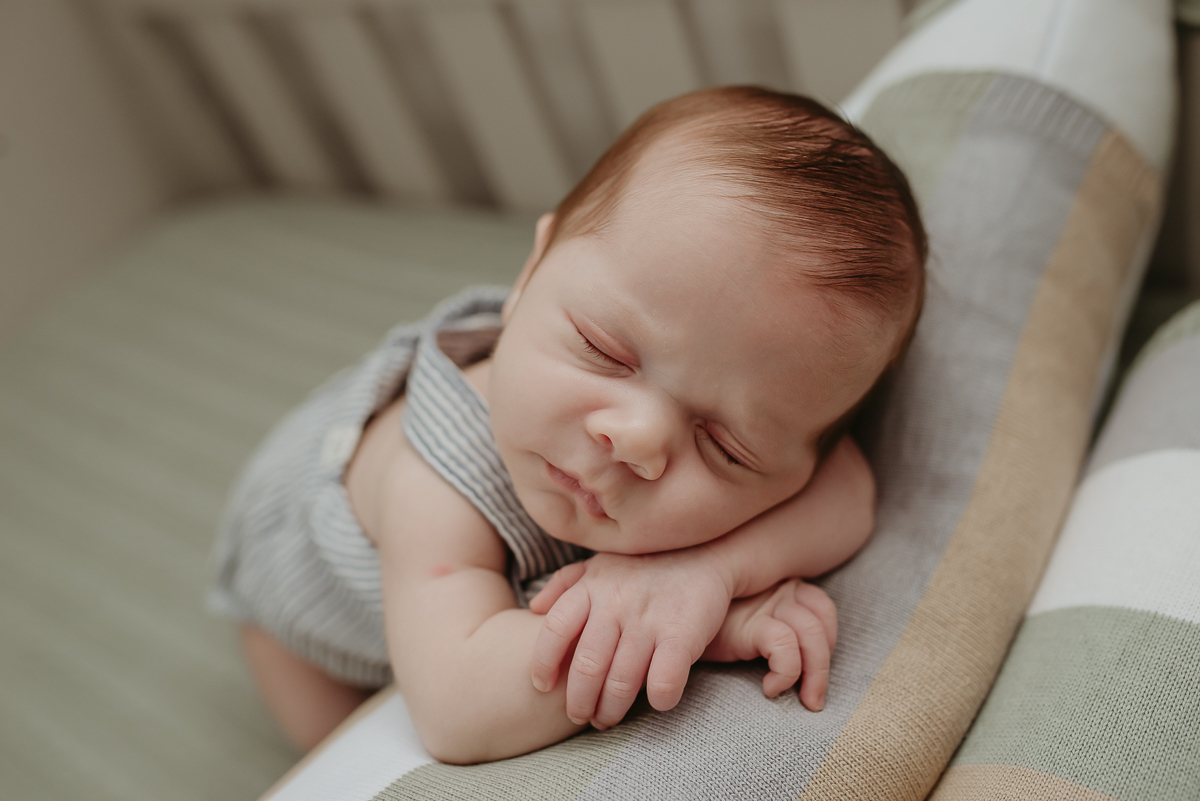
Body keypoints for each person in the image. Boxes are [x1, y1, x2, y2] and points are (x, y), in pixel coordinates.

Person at [210, 86, 926, 764]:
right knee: (339, 745)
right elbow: (455, 704)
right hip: (294, 569)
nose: (637, 437)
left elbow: (850, 485)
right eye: (604, 350)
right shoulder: (435, 483)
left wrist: (702, 576)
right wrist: (690, 633)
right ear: (530, 270)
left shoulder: (775, 451)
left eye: (723, 445)